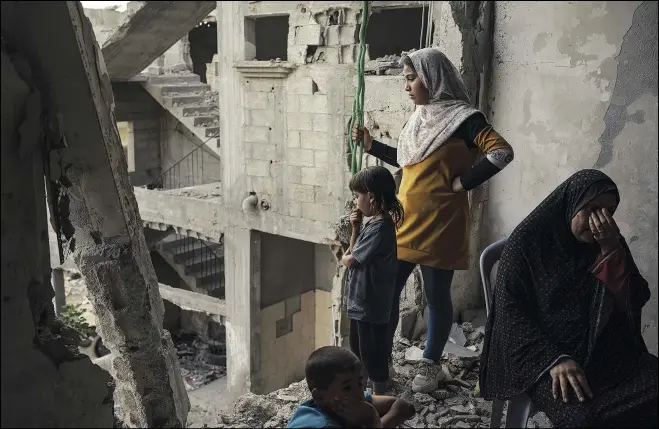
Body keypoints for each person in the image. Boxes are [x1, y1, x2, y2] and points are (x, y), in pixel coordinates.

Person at [352, 47, 515, 393]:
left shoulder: (465, 120)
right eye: (406, 79)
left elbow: (501, 151)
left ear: (432, 78)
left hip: (441, 224)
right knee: (386, 294)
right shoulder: (420, 118)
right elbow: (410, 160)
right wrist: (372, 146)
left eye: (411, 78)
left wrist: (463, 182)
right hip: (403, 221)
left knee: (436, 295)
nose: (406, 86)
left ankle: (430, 365)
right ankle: (380, 366)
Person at [479, 169, 657, 428]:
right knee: (581, 418)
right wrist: (554, 359)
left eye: (609, 210)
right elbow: (509, 314)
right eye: (592, 209)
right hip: (545, 359)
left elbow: (631, 300)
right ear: (571, 205)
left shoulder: (608, 240)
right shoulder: (526, 245)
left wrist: (610, 253)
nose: (601, 220)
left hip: (606, 354)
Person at [340, 166, 404, 394]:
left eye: (357, 196)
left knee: (371, 351)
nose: (356, 202)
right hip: (361, 302)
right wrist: (355, 228)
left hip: (371, 302)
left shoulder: (381, 228)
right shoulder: (371, 224)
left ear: (371, 195)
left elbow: (351, 260)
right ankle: (365, 387)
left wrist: (344, 258)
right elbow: (353, 250)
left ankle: (379, 393)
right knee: (357, 346)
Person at [287, 346, 415, 428]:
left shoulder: (345, 401)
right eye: (346, 388)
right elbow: (398, 410)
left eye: (359, 383)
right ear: (320, 396)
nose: (359, 393)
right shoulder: (319, 425)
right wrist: (372, 418)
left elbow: (405, 407)